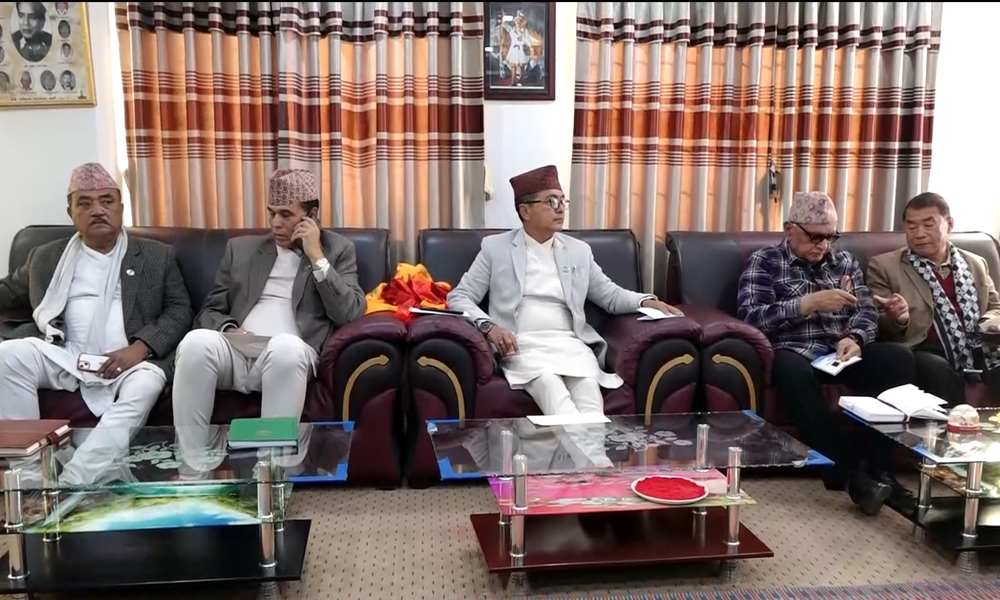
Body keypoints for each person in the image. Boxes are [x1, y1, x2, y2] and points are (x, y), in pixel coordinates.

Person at [0, 162, 192, 485]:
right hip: (64, 353)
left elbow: (180, 310)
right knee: (8, 357)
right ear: (71, 212)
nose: (98, 210)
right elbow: (6, 293)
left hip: (131, 361)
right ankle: (29, 478)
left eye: (106, 201)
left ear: (121, 207)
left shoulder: (156, 256)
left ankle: (75, 480)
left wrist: (140, 348)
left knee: (145, 386)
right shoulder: (45, 257)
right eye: (85, 204)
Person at [447, 164, 683, 418]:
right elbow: (459, 296)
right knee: (553, 391)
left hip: (570, 344)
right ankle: (595, 447)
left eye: (562, 201)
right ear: (525, 211)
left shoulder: (578, 251)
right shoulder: (495, 249)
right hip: (523, 346)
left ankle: (592, 447)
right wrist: (489, 327)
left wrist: (646, 301)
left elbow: (610, 296)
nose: (560, 209)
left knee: (590, 398)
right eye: (551, 202)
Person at [171, 168, 366, 470]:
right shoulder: (241, 249)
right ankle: (192, 469)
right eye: (271, 212)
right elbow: (210, 310)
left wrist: (316, 256)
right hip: (236, 350)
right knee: (195, 343)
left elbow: (349, 312)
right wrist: (229, 328)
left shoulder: (338, 250)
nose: (275, 223)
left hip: (290, 354)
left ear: (312, 215)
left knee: (284, 348)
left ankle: (273, 475)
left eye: (286, 215)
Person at [737, 191, 917, 516]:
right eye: (815, 237)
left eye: (830, 236)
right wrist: (806, 304)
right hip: (796, 351)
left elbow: (865, 310)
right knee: (788, 368)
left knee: (898, 359)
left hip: (840, 351)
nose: (823, 245)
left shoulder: (844, 262)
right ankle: (848, 473)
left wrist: (856, 337)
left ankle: (879, 468)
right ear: (790, 229)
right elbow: (750, 317)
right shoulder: (765, 261)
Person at [867, 192, 1000, 404]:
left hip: (980, 347)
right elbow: (875, 322)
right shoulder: (884, 266)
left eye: (928, 225)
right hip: (924, 349)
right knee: (934, 368)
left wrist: (987, 324)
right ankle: (953, 423)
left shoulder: (975, 263)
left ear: (949, 224)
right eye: (911, 227)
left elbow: (995, 307)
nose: (919, 234)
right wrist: (898, 318)